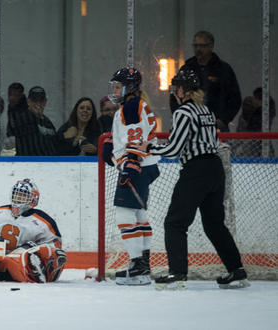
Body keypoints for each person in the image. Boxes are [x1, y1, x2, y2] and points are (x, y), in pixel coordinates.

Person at [137, 69, 250, 291]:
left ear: (181, 90)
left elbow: (173, 149)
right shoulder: (205, 110)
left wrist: (148, 146)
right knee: (215, 225)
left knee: (175, 222)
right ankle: (237, 271)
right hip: (215, 169)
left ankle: (178, 273)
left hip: (196, 171)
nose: (173, 92)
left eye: (175, 88)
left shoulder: (182, 112)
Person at [101, 68, 160, 286]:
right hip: (147, 166)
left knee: (124, 216)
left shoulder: (132, 105)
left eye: (118, 86)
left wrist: (130, 163)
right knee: (139, 214)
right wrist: (116, 151)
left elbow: (136, 137)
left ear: (130, 88)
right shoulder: (136, 105)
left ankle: (137, 266)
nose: (114, 90)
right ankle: (143, 266)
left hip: (138, 166)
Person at [171, 31, 241, 132]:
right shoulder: (186, 69)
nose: (198, 49)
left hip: (217, 126)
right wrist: (180, 116)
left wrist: (222, 121)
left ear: (211, 47)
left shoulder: (223, 69)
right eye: (195, 46)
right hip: (190, 125)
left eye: (202, 46)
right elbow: (173, 93)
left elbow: (236, 98)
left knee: (220, 148)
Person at [13, 86, 57, 156]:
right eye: (34, 100)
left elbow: (55, 145)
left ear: (45, 102)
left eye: (41, 100)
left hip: (51, 164)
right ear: (28, 101)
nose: (38, 103)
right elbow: (29, 149)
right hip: (30, 164)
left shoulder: (48, 123)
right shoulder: (23, 120)